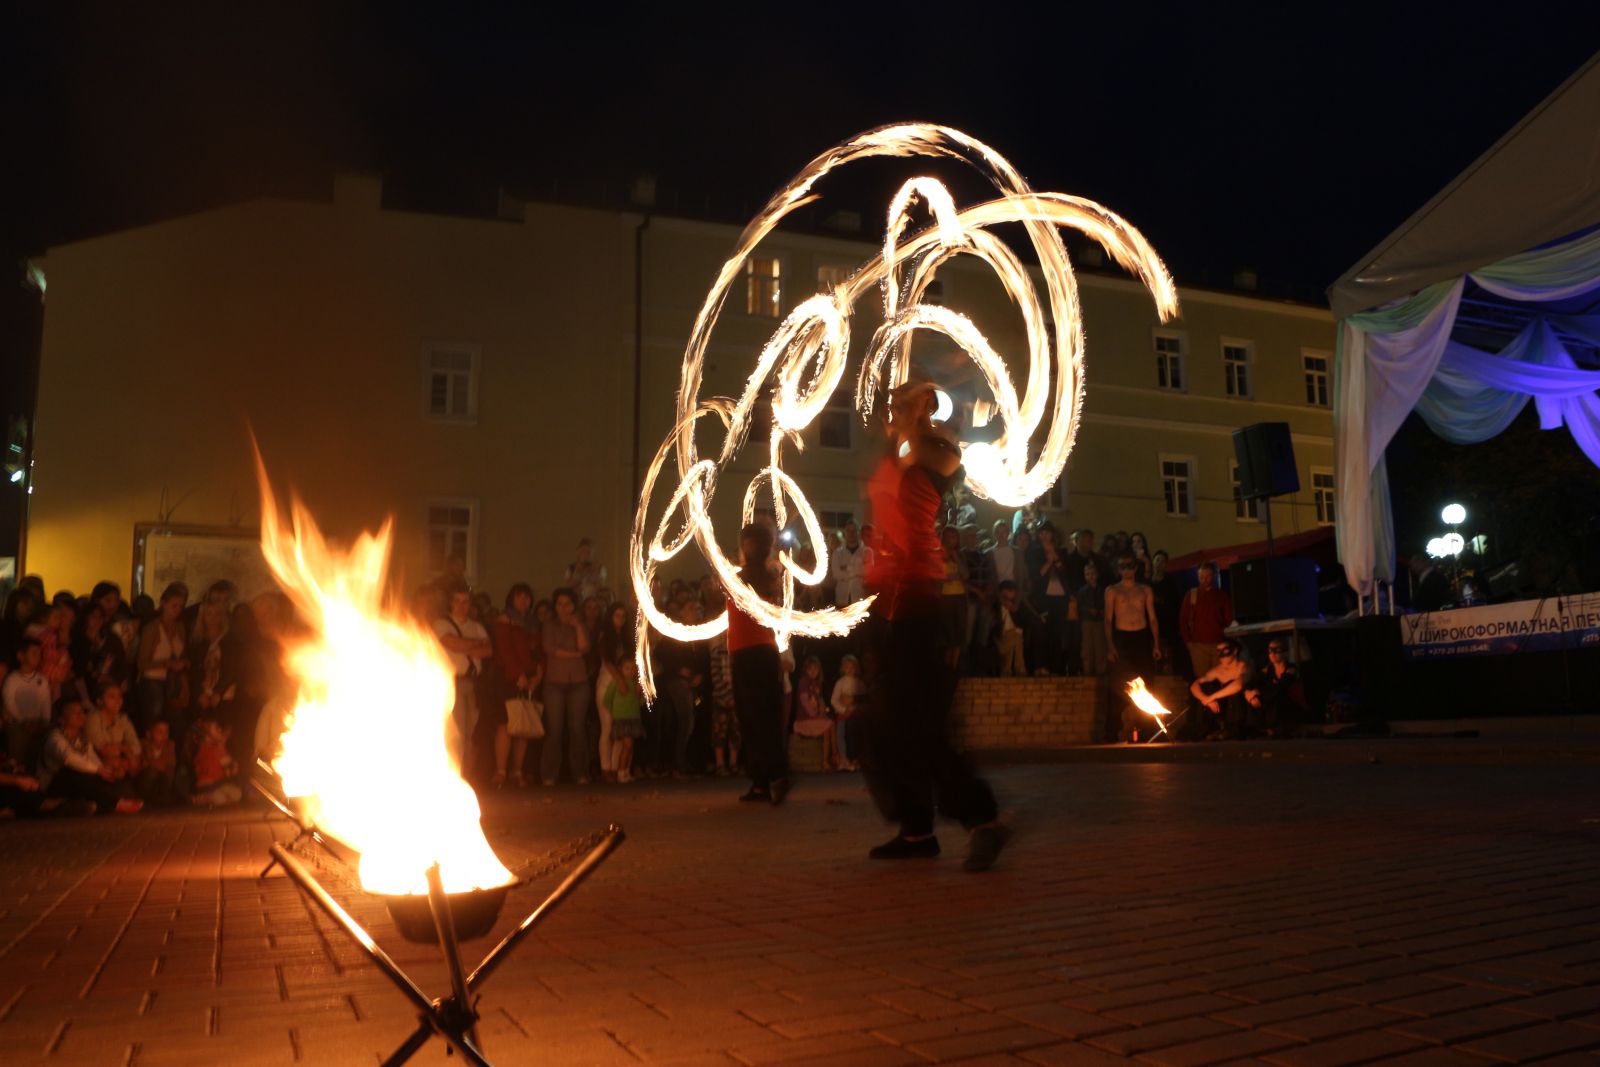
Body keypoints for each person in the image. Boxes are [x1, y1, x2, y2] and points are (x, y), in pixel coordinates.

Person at [863, 379, 1009, 871]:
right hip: (888, 603)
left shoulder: (937, 446)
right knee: (883, 724)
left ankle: (981, 818)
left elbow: (934, 458)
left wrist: (914, 421)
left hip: (920, 601)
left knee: (914, 726)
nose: (891, 405)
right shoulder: (900, 448)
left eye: (903, 398)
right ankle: (916, 829)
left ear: (925, 402)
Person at [727, 523, 789, 805]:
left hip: (746, 653)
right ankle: (770, 778)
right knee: (766, 717)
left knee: (752, 719)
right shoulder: (772, 576)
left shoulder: (738, 579)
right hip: (764, 652)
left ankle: (764, 780)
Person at [38, 697, 142, 814]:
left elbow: (93, 760)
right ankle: (115, 803)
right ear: (61, 719)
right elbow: (70, 759)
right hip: (54, 786)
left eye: (82, 711)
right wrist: (98, 770)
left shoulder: (82, 740)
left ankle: (80, 806)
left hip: (79, 783)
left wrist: (108, 772)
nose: (81, 715)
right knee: (75, 772)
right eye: (75, 712)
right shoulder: (54, 738)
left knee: (107, 778)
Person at [434, 587, 494, 778]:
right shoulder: (442, 624)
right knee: (456, 732)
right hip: (453, 682)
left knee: (471, 733)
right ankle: (453, 773)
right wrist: (475, 644)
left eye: (465, 601)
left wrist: (464, 645)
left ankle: (465, 775)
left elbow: (488, 651)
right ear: (450, 603)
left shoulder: (476, 626)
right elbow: (451, 643)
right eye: (458, 601)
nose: (462, 606)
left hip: (473, 683)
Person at [1105, 555, 1164, 742]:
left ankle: (1149, 731)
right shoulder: (1113, 590)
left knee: (1148, 683)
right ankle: (1112, 732)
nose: (1127, 570)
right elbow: (1108, 619)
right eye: (1123, 567)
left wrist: (1156, 643)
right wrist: (1110, 646)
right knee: (1119, 687)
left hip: (1141, 637)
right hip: (1122, 639)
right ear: (1119, 569)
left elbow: (1152, 618)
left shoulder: (1144, 590)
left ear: (1135, 569)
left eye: (1130, 566)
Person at [540, 588, 592, 786]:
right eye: (560, 603)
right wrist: (576, 654)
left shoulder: (581, 624)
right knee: (555, 730)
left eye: (568, 604)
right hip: (554, 683)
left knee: (577, 729)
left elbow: (585, 647)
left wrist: (577, 625)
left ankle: (580, 773)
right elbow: (552, 651)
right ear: (555, 606)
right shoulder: (549, 625)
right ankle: (549, 774)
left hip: (578, 682)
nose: (564, 608)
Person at [492, 583, 541, 788]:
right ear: (511, 598)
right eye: (519, 597)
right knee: (506, 724)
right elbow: (505, 650)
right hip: (509, 677)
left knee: (524, 723)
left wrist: (538, 674)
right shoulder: (505, 620)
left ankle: (517, 771)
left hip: (530, 678)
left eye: (527, 597)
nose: (524, 601)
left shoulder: (532, 623)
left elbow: (539, 650)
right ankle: (501, 772)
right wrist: (518, 674)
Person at [135, 584, 189, 736]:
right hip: (153, 684)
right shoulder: (152, 628)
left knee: (174, 724)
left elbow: (183, 653)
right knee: (154, 724)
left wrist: (183, 662)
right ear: (163, 603)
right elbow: (142, 663)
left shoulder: (180, 627)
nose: (177, 610)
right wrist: (166, 663)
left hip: (172, 683)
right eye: (174, 605)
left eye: (180, 606)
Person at [593, 601, 633, 782]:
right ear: (610, 617)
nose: (621, 619)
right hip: (608, 683)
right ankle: (605, 767)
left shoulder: (626, 637)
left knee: (620, 729)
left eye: (623, 616)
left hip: (623, 684)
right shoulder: (605, 637)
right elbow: (607, 662)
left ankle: (618, 767)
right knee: (608, 727)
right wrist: (620, 680)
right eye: (617, 615)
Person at [1028, 524, 1071, 675]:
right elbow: (1036, 575)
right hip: (1043, 598)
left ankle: (1056, 667)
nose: (1045, 536)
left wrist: (1055, 557)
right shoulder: (1035, 553)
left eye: (1047, 533)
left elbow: (1065, 572)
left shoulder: (1062, 552)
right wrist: (1048, 561)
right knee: (1042, 632)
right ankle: (1041, 666)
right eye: (1042, 533)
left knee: (1057, 633)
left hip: (1060, 598)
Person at [1190, 638, 1252, 740]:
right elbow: (1194, 685)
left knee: (1233, 687)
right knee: (1206, 686)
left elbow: (1238, 685)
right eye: (1219, 651)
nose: (1221, 655)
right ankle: (1210, 727)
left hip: (1241, 712)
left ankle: (1236, 729)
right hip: (1224, 710)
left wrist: (1211, 697)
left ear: (1235, 651)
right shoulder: (1217, 670)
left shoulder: (1244, 667)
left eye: (1225, 651)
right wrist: (1205, 699)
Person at [1179, 562, 1233, 680]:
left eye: (1207, 576)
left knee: (1222, 677)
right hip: (1198, 645)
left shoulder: (1221, 596)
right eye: (1201, 577)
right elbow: (1183, 621)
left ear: (1213, 576)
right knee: (1202, 679)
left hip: (1218, 644)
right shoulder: (1191, 595)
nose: (1204, 580)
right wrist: (1189, 642)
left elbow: (1229, 619)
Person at [3, 638, 52, 763]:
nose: (38, 657)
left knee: (37, 755)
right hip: (18, 723)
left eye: (39, 654)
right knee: (18, 756)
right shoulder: (12, 679)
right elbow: (9, 702)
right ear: (20, 656)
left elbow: (46, 701)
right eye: (34, 653)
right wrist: (23, 721)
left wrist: (45, 721)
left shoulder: (42, 679)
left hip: (38, 722)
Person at [1245, 640, 1307, 737]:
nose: (1272, 654)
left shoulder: (1291, 669)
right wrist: (1249, 693)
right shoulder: (1267, 670)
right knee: (1254, 697)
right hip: (1274, 704)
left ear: (1285, 652)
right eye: (1270, 650)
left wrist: (1258, 692)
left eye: (1277, 650)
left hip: (1292, 705)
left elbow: (1281, 687)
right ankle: (1256, 728)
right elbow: (1252, 683)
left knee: (1275, 695)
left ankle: (1276, 728)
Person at [86, 684, 141, 779]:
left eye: (120, 696)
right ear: (99, 701)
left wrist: (125, 751)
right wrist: (124, 749)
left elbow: (136, 746)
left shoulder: (122, 718)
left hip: (118, 759)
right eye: (112, 697)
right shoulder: (93, 718)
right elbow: (103, 749)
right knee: (115, 764)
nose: (118, 700)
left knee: (134, 761)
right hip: (94, 761)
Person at [792, 654, 837, 769]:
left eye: (815, 669)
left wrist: (822, 713)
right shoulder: (804, 682)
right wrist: (815, 714)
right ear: (806, 670)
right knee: (828, 727)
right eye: (810, 669)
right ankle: (828, 759)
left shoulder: (816, 684)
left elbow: (821, 702)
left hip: (814, 718)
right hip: (804, 720)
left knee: (830, 725)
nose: (813, 671)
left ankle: (831, 757)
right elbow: (805, 702)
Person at [603, 658, 645, 782]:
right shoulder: (616, 683)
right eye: (627, 668)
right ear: (621, 669)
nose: (630, 671)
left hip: (633, 719)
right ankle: (621, 773)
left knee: (629, 747)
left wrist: (639, 693)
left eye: (633, 668)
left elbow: (640, 702)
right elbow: (607, 699)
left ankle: (625, 772)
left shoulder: (635, 684)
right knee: (627, 745)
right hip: (622, 719)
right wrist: (615, 712)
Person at [707, 628, 741, 777]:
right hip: (720, 698)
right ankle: (720, 764)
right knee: (719, 731)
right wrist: (725, 696)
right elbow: (715, 677)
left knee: (736, 731)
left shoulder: (737, 654)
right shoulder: (716, 654)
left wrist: (735, 697)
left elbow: (740, 677)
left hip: (735, 698)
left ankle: (733, 763)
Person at [990, 580, 1039, 677]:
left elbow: (1028, 620)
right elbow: (993, 628)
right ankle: (1019, 670)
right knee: (1016, 638)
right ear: (1002, 593)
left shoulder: (1016, 608)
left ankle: (1007, 670)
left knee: (1016, 638)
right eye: (1010, 591)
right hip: (999, 642)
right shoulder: (995, 608)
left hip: (1012, 639)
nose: (1012, 595)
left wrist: (1014, 610)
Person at [190, 718, 242, 807]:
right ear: (207, 735)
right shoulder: (216, 749)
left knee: (235, 794)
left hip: (215, 785)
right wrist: (235, 766)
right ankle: (203, 798)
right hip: (211, 785)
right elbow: (230, 769)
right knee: (227, 797)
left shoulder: (201, 748)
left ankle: (205, 798)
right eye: (216, 729)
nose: (219, 731)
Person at [829, 653, 865, 770]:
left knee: (855, 735)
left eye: (852, 667)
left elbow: (863, 700)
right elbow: (834, 700)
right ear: (843, 668)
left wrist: (853, 709)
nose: (849, 669)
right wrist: (843, 710)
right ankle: (844, 759)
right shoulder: (840, 683)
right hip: (842, 715)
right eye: (846, 667)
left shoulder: (860, 683)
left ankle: (855, 759)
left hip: (855, 715)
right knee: (840, 735)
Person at [830, 520, 873, 606]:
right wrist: (858, 571)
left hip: (859, 600)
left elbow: (868, 571)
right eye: (848, 531)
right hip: (841, 599)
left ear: (858, 533)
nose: (851, 533)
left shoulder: (867, 551)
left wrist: (846, 568)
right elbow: (836, 574)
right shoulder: (837, 553)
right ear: (845, 533)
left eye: (854, 531)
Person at [1076, 561, 1108, 676]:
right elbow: (1079, 607)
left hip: (1100, 621)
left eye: (1093, 573)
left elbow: (1106, 605)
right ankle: (1087, 672)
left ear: (1097, 574)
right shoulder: (1081, 591)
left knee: (1100, 647)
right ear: (1084, 576)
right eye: (1088, 574)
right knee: (1087, 648)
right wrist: (1088, 610)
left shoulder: (1104, 590)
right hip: (1087, 622)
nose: (1090, 576)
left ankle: (1101, 672)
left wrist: (1100, 611)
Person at [137, 720, 178, 805]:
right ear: (149, 734)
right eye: (159, 732)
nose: (164, 735)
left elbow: (171, 762)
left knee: (169, 770)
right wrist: (151, 763)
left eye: (166, 732)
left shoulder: (170, 745)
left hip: (161, 779)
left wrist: (163, 765)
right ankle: (145, 798)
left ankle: (164, 797)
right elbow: (138, 763)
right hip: (144, 780)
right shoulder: (142, 744)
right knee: (152, 772)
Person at [565, 539, 607, 603]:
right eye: (583, 552)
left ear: (593, 553)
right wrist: (579, 569)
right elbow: (569, 586)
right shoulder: (571, 568)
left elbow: (601, 585)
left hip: (593, 601)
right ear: (578, 552)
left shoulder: (600, 568)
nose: (585, 555)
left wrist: (593, 571)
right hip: (576, 600)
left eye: (588, 552)